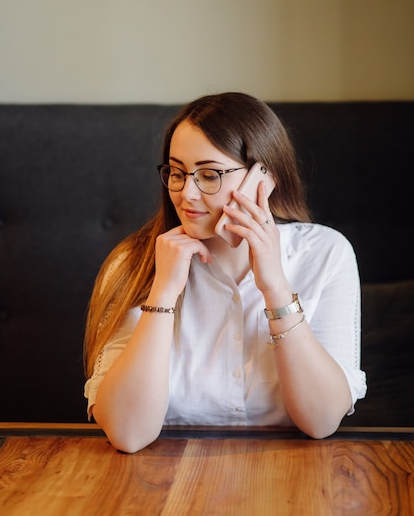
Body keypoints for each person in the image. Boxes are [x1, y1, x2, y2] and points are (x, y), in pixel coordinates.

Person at [84, 92, 366, 453]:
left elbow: (321, 420)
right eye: (177, 172)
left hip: (292, 482)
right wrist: (163, 294)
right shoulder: (132, 263)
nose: (187, 193)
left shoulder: (325, 254)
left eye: (210, 174)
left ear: (262, 179)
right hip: (165, 484)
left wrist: (275, 287)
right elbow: (128, 434)